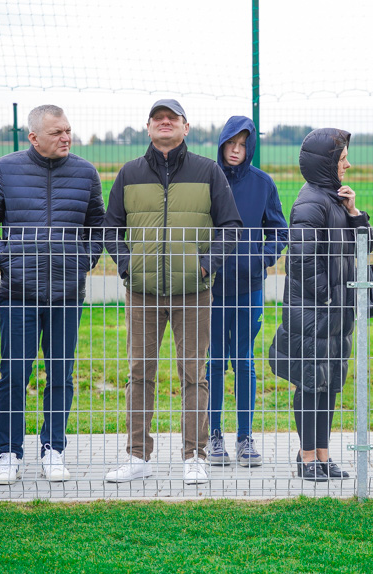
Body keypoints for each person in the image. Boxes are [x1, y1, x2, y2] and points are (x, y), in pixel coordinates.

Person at [104, 99, 242, 485]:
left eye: (172, 119)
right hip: (143, 291)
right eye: (158, 119)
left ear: (186, 127)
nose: (165, 123)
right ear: (147, 128)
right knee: (139, 373)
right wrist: (127, 264)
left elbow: (230, 226)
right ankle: (137, 456)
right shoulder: (129, 173)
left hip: (193, 292)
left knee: (194, 375)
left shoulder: (208, 171)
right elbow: (110, 227)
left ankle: (194, 456)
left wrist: (206, 264)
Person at [0, 105, 105, 484]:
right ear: (34, 137)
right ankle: (8, 453)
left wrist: (82, 261)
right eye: (56, 132)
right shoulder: (5, 169)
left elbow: (98, 227)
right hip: (18, 294)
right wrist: (6, 259)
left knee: (61, 374)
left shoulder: (85, 172)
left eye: (68, 130)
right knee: (14, 374)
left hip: (66, 293)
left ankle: (54, 449)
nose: (66, 137)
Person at [268, 128, 370, 481]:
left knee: (327, 385)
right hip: (314, 312)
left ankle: (323, 456)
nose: (349, 165)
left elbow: (363, 246)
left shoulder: (333, 197)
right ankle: (307, 457)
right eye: (343, 160)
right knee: (311, 384)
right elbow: (302, 259)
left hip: (334, 312)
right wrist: (327, 295)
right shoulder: (310, 202)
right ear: (326, 164)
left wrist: (354, 211)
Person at [206, 116, 288, 468]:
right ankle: (213, 437)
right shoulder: (206, 179)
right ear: (222, 143)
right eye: (231, 144)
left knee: (244, 362)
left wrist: (261, 259)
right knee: (213, 363)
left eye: (243, 145)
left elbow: (280, 231)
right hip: (208, 290)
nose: (236, 151)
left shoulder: (263, 184)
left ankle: (244, 437)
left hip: (248, 288)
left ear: (250, 147)